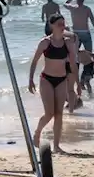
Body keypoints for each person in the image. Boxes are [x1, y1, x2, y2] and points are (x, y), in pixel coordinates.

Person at [28, 16, 75, 154]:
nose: (62, 26)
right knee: (49, 113)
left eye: (63, 24)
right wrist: (30, 79)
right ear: (52, 25)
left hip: (61, 80)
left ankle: (56, 146)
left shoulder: (67, 43)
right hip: (46, 79)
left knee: (59, 114)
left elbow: (73, 64)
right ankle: (37, 133)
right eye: (59, 24)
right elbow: (35, 61)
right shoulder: (45, 42)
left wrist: (76, 84)